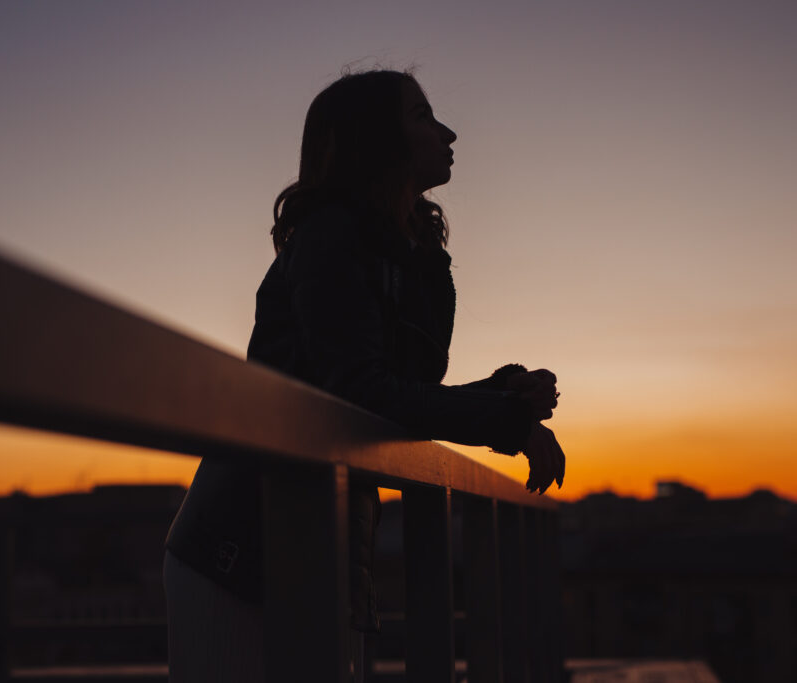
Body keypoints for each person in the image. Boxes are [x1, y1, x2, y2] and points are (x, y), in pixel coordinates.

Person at [163, 69, 566, 682]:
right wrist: (506, 421)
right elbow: (361, 394)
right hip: (241, 554)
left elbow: (393, 393)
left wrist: (502, 393)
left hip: (319, 546)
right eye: (422, 116)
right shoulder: (330, 239)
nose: (449, 133)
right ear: (375, 138)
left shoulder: (408, 256)